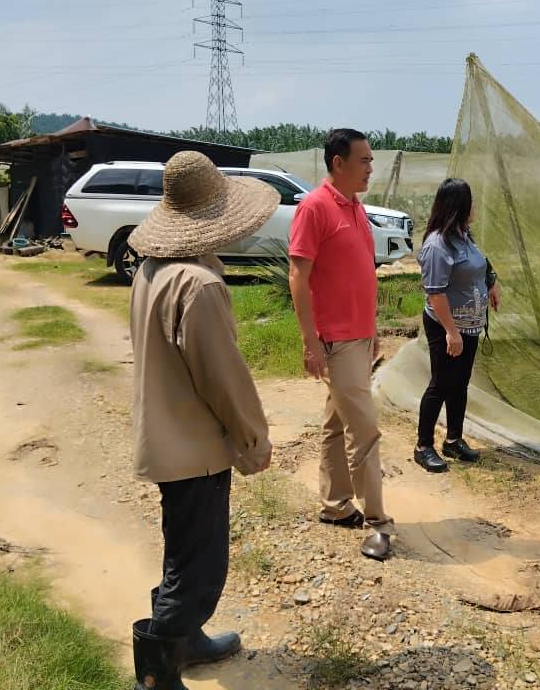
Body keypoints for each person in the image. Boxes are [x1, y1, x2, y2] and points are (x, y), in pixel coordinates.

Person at [126, 151, 278, 689]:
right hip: (194, 448)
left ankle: (184, 641)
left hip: (167, 440)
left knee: (183, 548)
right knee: (200, 567)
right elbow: (224, 380)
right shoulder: (201, 285)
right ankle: (156, 675)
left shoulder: (153, 270)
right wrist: (253, 441)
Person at [288, 128, 395, 562]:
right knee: (364, 431)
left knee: (336, 424)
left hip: (358, 335)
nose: (371, 167)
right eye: (364, 160)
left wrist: (371, 332)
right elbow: (299, 276)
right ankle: (378, 523)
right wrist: (311, 341)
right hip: (335, 339)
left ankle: (335, 505)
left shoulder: (355, 207)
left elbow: (358, 275)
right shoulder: (315, 208)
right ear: (338, 163)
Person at [414, 178, 500, 473]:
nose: (475, 206)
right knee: (440, 384)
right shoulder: (438, 244)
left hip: (470, 325)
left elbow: (479, 263)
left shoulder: (463, 235)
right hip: (446, 326)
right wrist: (451, 332)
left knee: (460, 384)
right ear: (459, 206)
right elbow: (435, 293)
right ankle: (423, 446)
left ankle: (453, 440)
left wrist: (492, 282)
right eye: (471, 201)